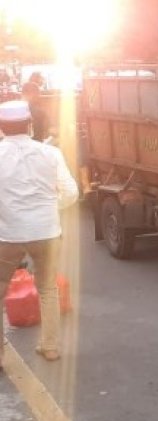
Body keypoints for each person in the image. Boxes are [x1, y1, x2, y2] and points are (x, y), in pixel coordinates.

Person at [0, 101, 78, 369]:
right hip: (46, 231)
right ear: (30, 124)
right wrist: (46, 208)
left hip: (8, 234)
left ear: (1, 128)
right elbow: (71, 193)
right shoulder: (50, 153)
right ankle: (51, 347)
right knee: (47, 288)